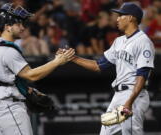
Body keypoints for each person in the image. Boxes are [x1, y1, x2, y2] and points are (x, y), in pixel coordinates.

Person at [66, 2, 155, 135]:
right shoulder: (119, 41)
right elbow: (98, 66)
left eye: (121, 15)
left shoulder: (143, 41)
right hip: (118, 95)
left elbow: (142, 75)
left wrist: (129, 102)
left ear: (130, 18)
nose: (117, 19)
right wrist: (73, 58)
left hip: (133, 95)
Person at [0, 3, 75, 135]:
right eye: (18, 24)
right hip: (9, 107)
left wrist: (26, 89)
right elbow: (31, 75)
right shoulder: (8, 51)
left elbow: (7, 78)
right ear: (7, 27)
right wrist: (57, 62)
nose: (22, 28)